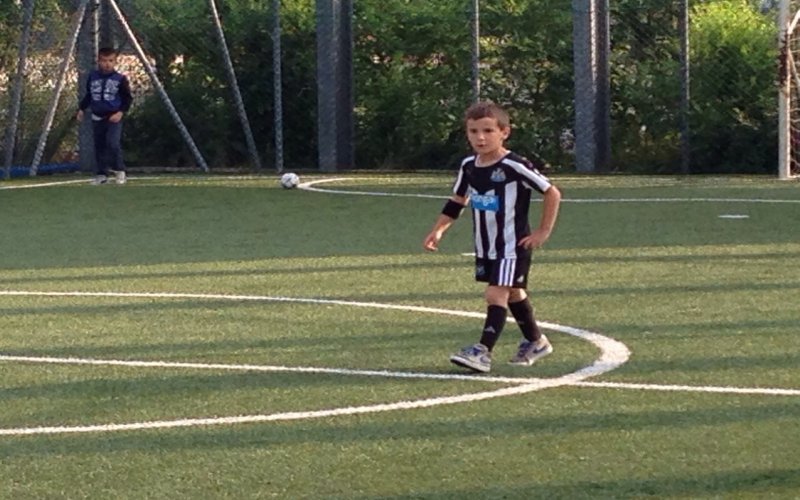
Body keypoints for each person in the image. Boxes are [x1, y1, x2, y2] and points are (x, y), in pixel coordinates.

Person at [423, 101, 562, 373]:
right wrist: (439, 229)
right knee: (513, 293)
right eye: (473, 131)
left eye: (488, 131)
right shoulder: (469, 165)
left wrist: (543, 231)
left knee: (495, 293)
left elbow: (551, 192)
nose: (481, 137)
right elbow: (458, 200)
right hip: (486, 246)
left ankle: (482, 352)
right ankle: (536, 341)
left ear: (504, 132)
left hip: (512, 245)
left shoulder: (514, 165)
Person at [77, 47, 133, 185]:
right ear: (98, 61)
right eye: (104, 60)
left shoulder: (120, 79)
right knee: (99, 145)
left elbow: (127, 98)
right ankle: (101, 174)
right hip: (97, 116)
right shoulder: (93, 77)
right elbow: (90, 95)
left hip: (113, 116)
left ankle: (120, 170)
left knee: (112, 143)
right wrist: (82, 108)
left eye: (110, 61)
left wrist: (120, 112)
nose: (107, 64)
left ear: (115, 62)